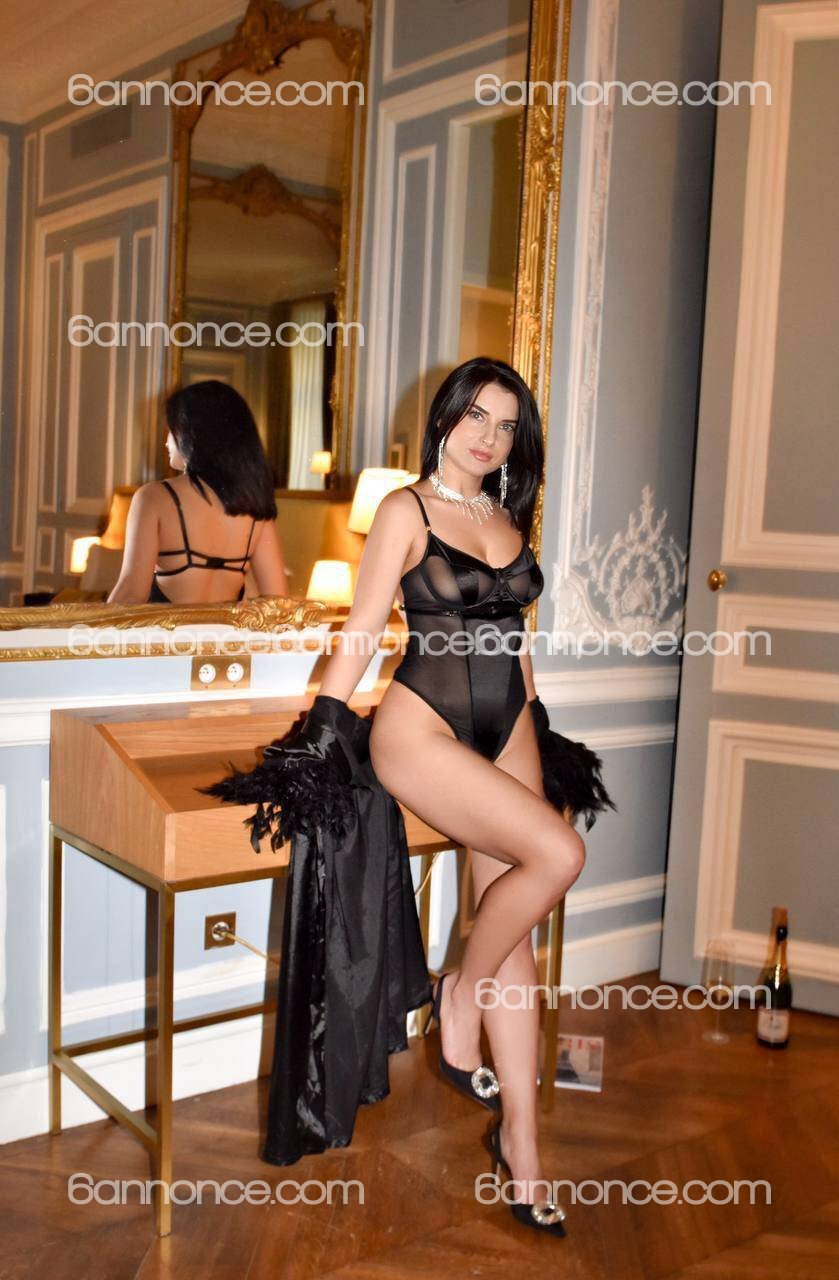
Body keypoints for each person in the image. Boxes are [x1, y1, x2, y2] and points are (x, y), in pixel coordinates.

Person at [315, 355, 586, 1235]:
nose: (489, 437)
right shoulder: (405, 509)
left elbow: (514, 640)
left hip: (508, 724)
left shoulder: (504, 515)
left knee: (518, 935)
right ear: (445, 417)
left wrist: (538, 728)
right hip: (420, 727)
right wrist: (318, 732)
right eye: (476, 416)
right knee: (558, 854)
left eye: (506, 426)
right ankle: (458, 989)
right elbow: (362, 629)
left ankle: (522, 1145)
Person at [108, 380, 287, 604]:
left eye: (171, 431)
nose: (166, 442)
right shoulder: (255, 510)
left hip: (169, 629)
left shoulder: (153, 498)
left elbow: (131, 593)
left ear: (190, 435)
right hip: (223, 629)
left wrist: (87, 625)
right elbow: (278, 601)